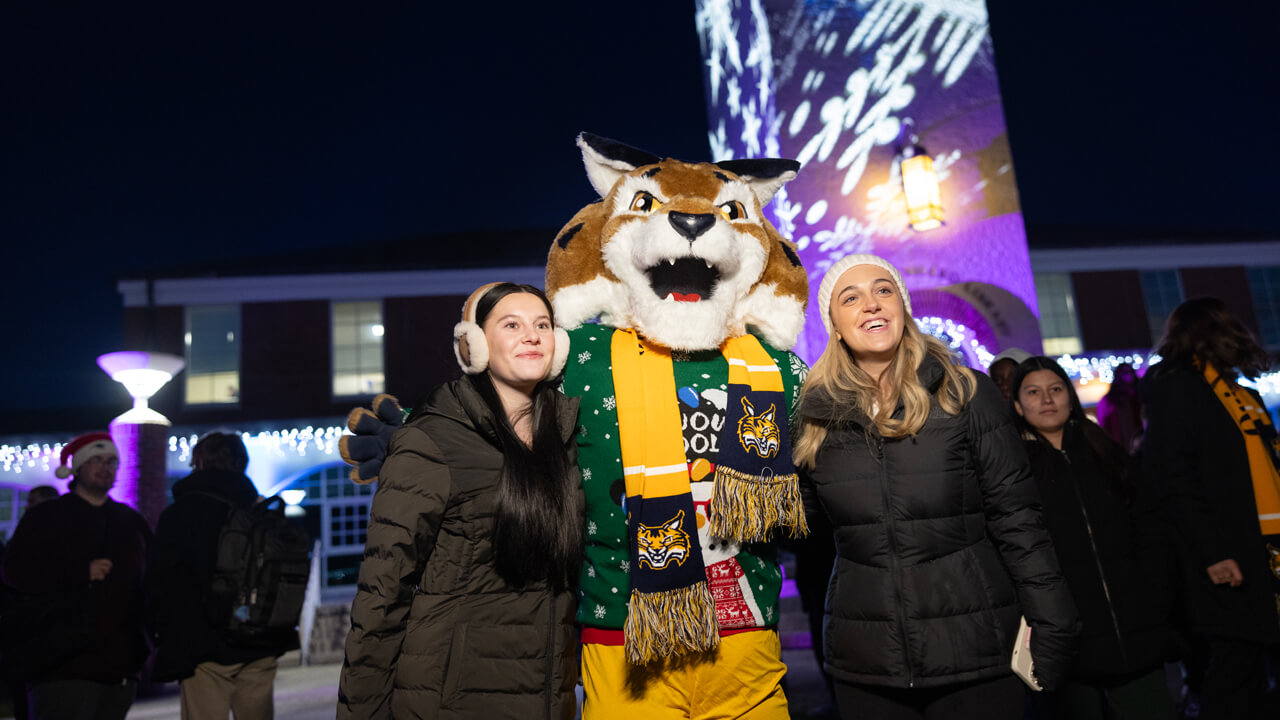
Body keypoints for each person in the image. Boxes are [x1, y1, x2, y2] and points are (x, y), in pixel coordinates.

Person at [793, 254, 1080, 720]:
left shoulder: (965, 393)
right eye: (851, 297)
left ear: (902, 308)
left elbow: (1018, 518)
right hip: (866, 663)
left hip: (973, 652)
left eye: (883, 290)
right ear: (836, 326)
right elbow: (800, 527)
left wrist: (1053, 621)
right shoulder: (814, 417)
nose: (870, 304)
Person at [338, 282, 581, 719]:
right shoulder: (431, 441)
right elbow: (382, 592)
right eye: (512, 325)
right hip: (452, 698)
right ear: (474, 344)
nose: (532, 336)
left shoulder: (564, 441)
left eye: (542, 325)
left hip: (547, 698)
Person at [1011, 356, 1176, 719]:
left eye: (1055, 389)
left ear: (1069, 397)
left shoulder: (1104, 451)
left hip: (1133, 631)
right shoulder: (1014, 468)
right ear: (1018, 405)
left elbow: (1148, 524)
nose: (1047, 399)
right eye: (1034, 392)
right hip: (1067, 643)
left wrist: (1155, 592)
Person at [1140, 296, 1280, 720]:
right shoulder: (1179, 389)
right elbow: (1174, 481)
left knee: (1255, 668)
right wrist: (1214, 553)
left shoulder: (1242, 393)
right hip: (1229, 554)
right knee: (1236, 668)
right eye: (1226, 325)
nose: (1237, 333)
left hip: (1265, 550)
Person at [146, 430, 299, 719]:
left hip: (203, 645)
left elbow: (159, 581)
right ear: (242, 464)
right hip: (261, 638)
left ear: (199, 463)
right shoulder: (262, 509)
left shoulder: (181, 514)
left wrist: (161, 634)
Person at [1, 431, 151, 720]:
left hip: (119, 663)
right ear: (78, 467)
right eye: (96, 460)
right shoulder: (46, 517)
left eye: (111, 461)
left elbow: (150, 579)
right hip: (63, 662)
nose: (104, 467)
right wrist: (79, 572)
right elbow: (15, 571)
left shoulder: (130, 521)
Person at [1095, 362, 1144, 454]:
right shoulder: (1109, 400)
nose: (1127, 376)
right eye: (1124, 373)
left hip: (1140, 443)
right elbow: (1103, 423)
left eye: (1129, 373)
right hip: (1119, 445)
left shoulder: (1139, 396)